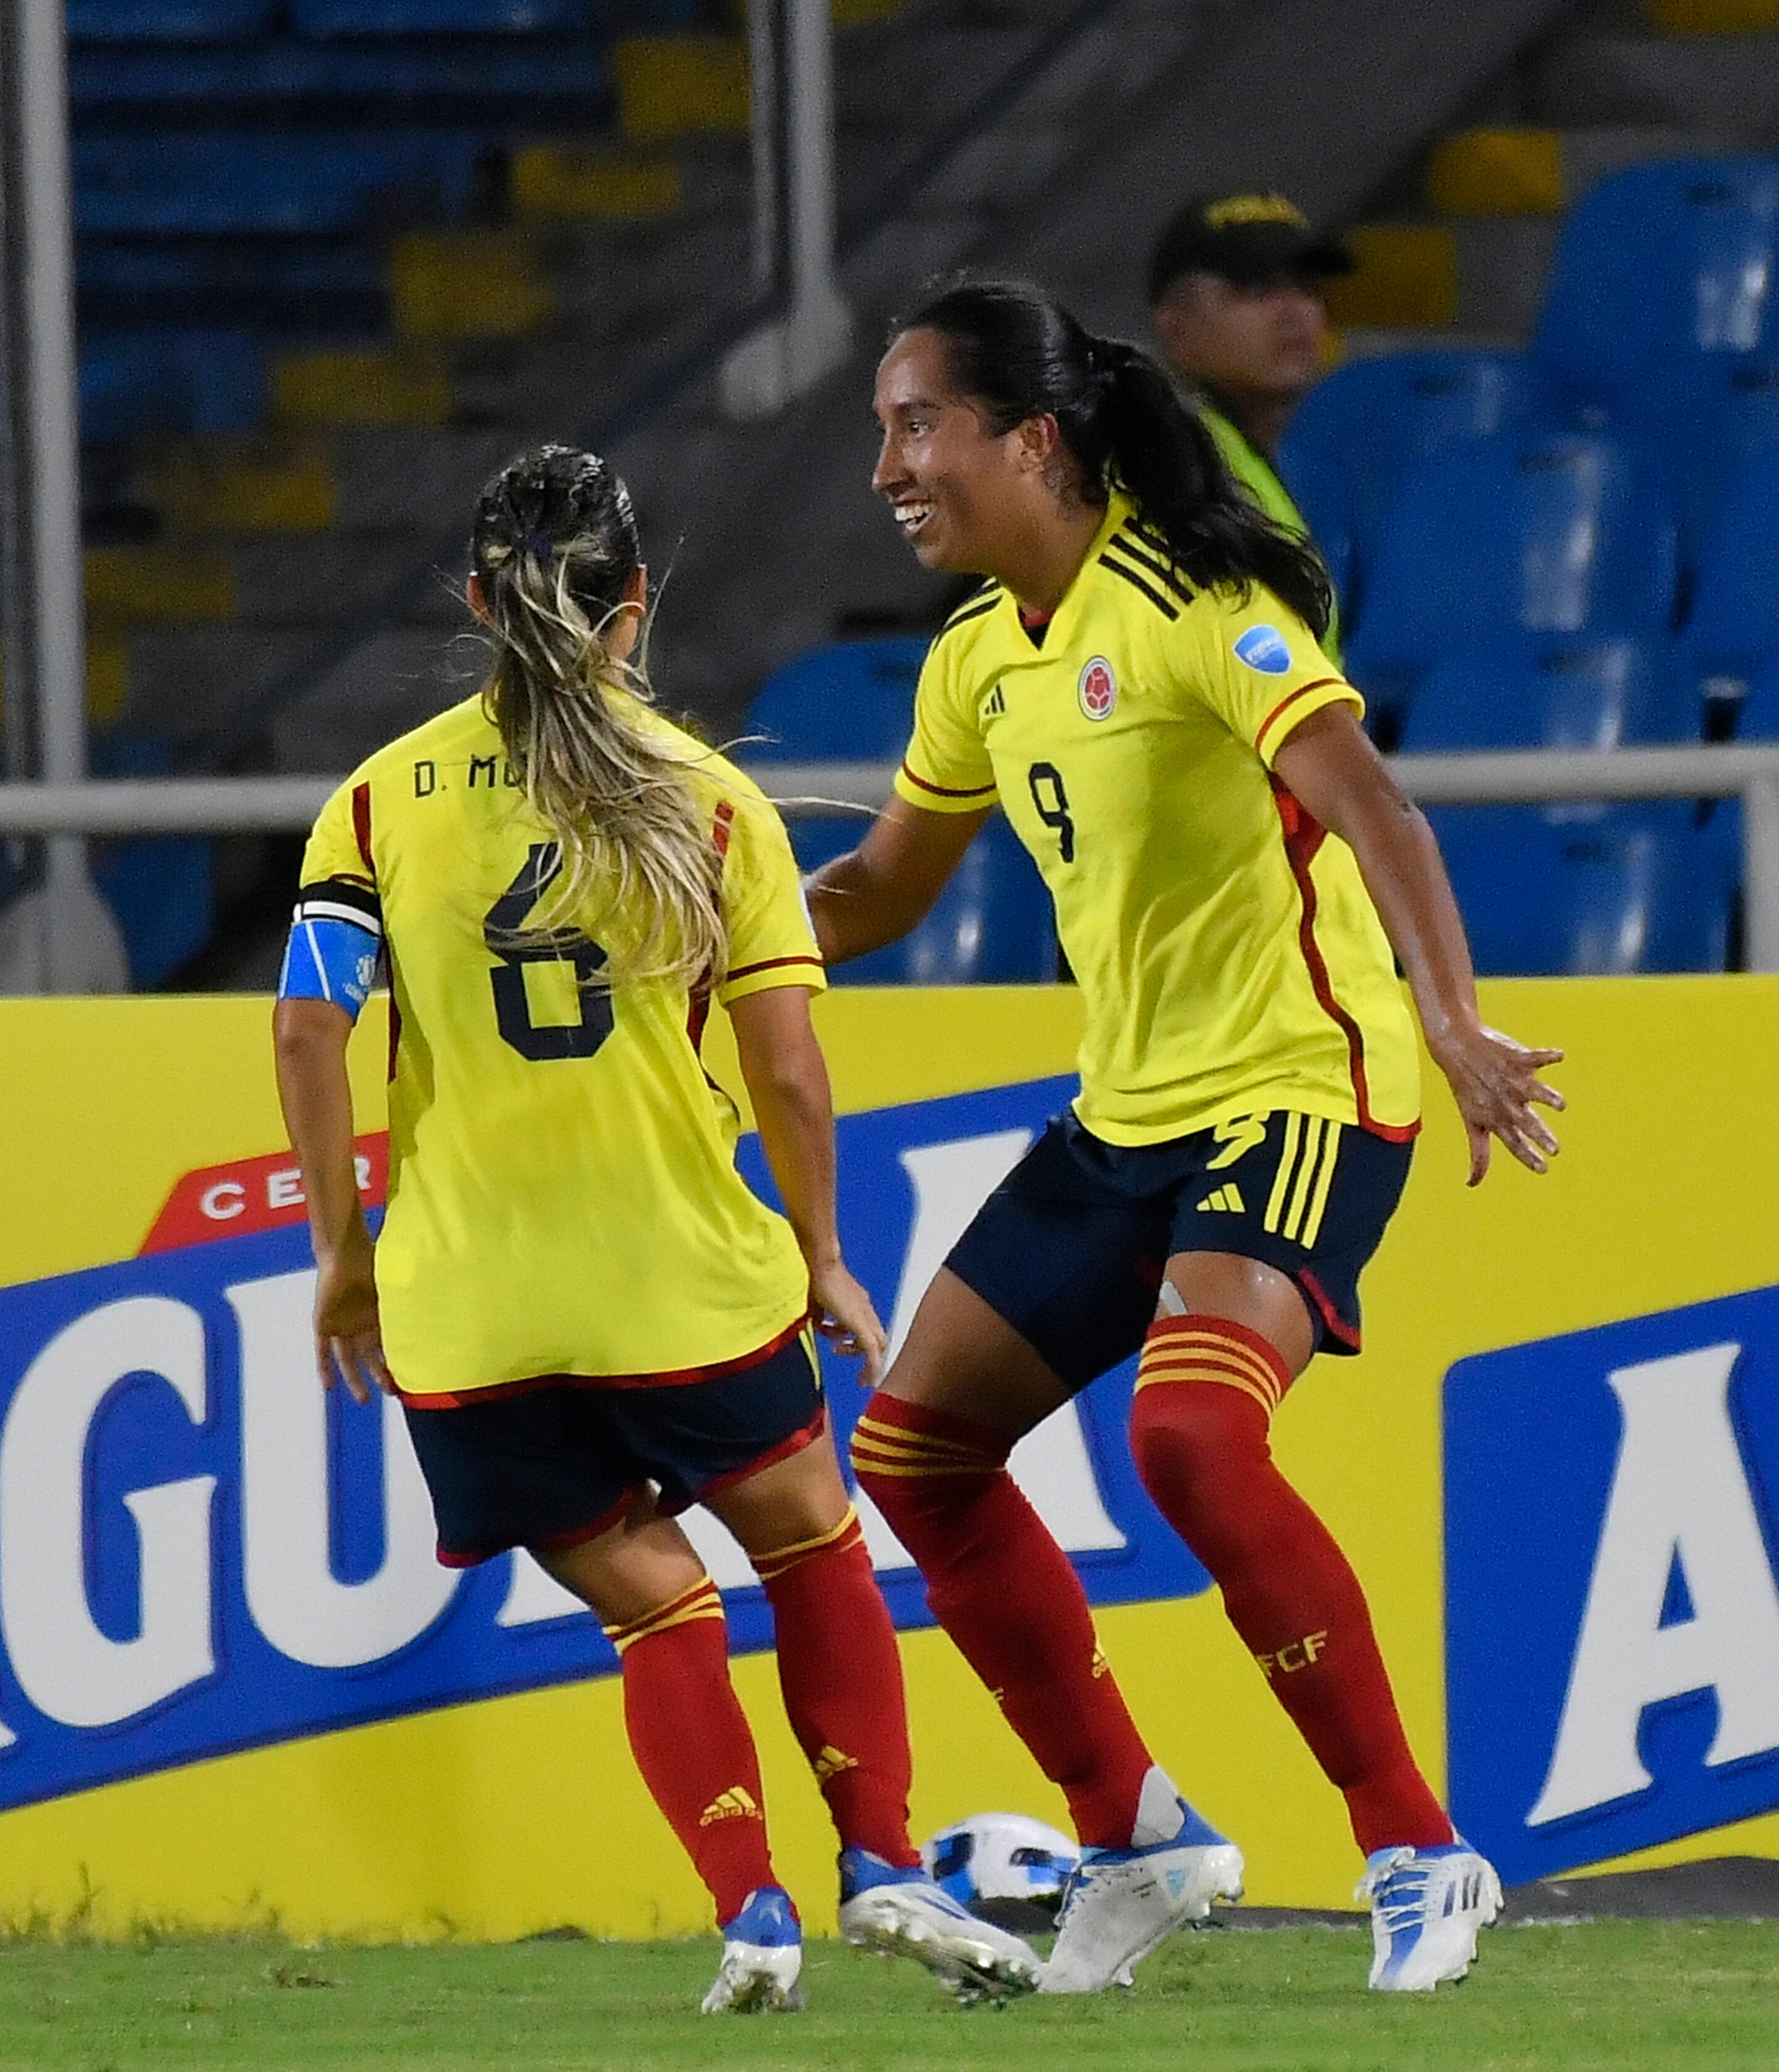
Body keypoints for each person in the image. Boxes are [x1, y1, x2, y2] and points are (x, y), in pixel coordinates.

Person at [818, 277, 1564, 1996]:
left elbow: (1371, 802)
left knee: (1193, 1445)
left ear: (1034, 436)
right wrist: (700, 947)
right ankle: (1137, 1830)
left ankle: (1418, 1848)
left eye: (918, 423)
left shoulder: (1192, 603)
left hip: (1304, 1078)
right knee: (917, 1452)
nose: (888, 467)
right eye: (882, 430)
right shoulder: (976, 663)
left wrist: (1453, 1025)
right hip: (1131, 1108)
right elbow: (875, 893)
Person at [269, 445, 1043, 2014]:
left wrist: (347, 1261)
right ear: (639, 603)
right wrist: (822, 1252)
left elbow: (304, 1034)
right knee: (812, 1538)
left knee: (649, 1600)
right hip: (676, 1273)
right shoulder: (707, 799)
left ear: (480, 602)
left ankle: (748, 1910)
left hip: (469, 1304)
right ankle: (879, 1863)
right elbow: (787, 1065)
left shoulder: (378, 799)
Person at [1145, 191, 1352, 535]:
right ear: (1175, 326)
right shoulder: (1164, 470)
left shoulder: (1309, 456)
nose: (1294, 311)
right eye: (1259, 289)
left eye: (1307, 287)